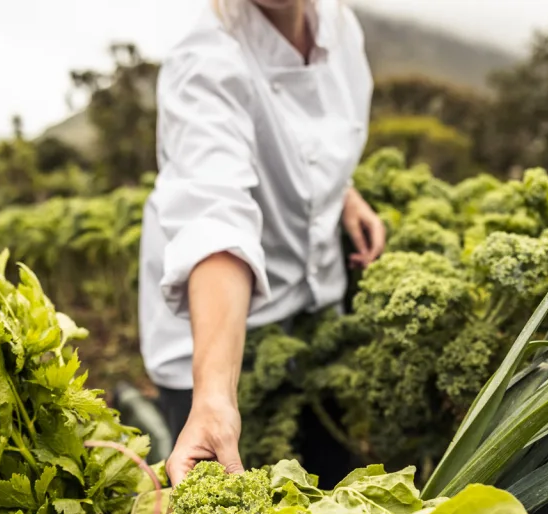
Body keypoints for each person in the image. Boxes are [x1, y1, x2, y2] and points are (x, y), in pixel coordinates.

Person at [138, 0, 385, 486]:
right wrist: (213, 396)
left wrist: (343, 193)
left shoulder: (338, 26)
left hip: (310, 308)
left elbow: (312, 139)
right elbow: (215, 216)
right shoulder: (206, 59)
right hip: (213, 331)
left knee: (331, 474)